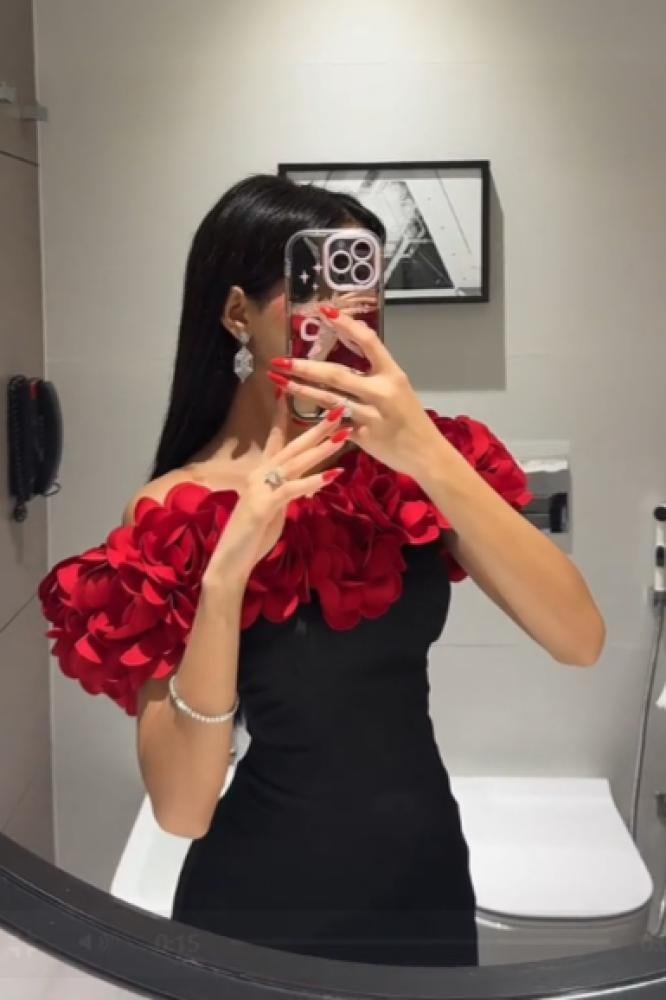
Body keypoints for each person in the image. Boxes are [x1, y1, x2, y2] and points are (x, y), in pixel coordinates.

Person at [38, 173, 604, 967]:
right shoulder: (178, 510)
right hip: (259, 911)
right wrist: (227, 573)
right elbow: (183, 809)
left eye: (361, 286)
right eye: (313, 287)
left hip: (424, 889)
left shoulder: (418, 464)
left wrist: (426, 453)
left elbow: (580, 640)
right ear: (238, 314)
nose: (344, 314)